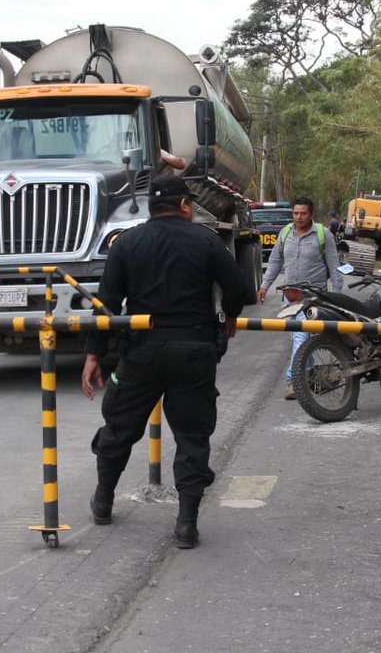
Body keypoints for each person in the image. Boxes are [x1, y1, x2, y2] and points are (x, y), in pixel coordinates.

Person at [82, 172, 249, 549]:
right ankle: (186, 524)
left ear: (153, 206)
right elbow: (238, 288)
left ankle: (103, 501)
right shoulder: (206, 241)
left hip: (141, 353)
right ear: (186, 205)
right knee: (192, 437)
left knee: (119, 428)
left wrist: (93, 354)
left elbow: (106, 306)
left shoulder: (127, 244)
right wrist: (229, 319)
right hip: (194, 352)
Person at [257, 196, 344, 399]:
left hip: (314, 299)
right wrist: (264, 285)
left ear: (311, 214)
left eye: (303, 213)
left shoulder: (323, 235)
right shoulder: (285, 233)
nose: (298, 217)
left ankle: (293, 381)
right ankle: (305, 377)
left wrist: (338, 297)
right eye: (295, 213)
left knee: (301, 337)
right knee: (302, 340)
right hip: (290, 298)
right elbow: (275, 261)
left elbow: (334, 267)